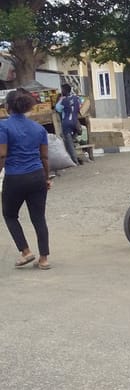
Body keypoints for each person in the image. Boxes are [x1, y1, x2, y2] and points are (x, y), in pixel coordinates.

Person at [0, 87, 52, 269]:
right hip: (37, 175)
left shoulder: (3, 126)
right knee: (39, 217)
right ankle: (44, 258)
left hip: (15, 178)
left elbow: (2, 155)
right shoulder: (38, 128)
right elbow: (45, 157)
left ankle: (26, 252)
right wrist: (46, 178)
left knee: (9, 214)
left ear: (8, 107)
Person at [55, 83, 82, 166]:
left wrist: (60, 99)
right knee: (76, 133)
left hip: (66, 123)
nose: (61, 91)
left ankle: (75, 161)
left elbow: (57, 108)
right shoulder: (76, 98)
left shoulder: (63, 100)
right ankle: (75, 139)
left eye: (62, 90)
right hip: (75, 122)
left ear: (64, 91)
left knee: (69, 143)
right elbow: (81, 102)